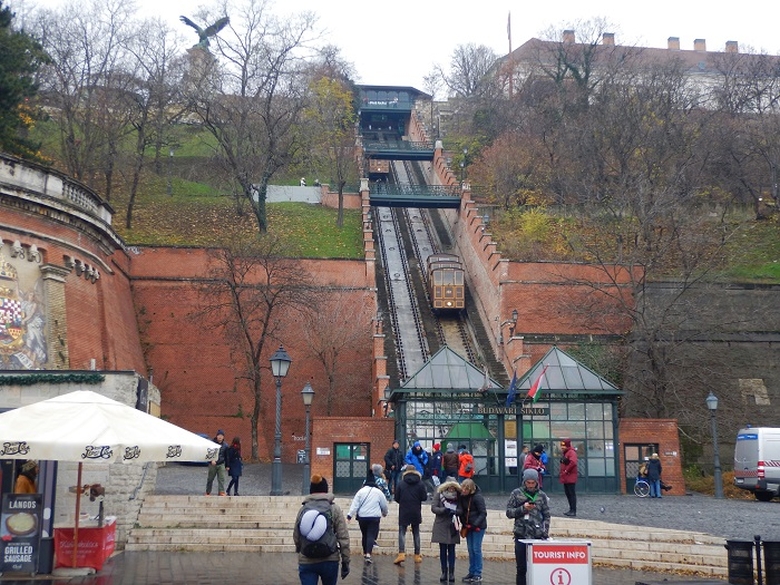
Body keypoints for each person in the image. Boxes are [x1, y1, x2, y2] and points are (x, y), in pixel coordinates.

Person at [293, 474, 350, 585]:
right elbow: (343, 537)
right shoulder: (334, 509)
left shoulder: (303, 509)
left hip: (307, 559)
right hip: (330, 559)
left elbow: (296, 534)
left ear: (311, 491)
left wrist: (301, 550)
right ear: (326, 490)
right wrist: (345, 561)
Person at [506, 469, 551, 585]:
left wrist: (545, 532)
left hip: (537, 536)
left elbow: (547, 515)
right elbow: (509, 513)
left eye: (533, 483)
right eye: (528, 483)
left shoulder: (541, 495)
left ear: (537, 482)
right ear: (524, 482)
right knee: (521, 568)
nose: (530, 485)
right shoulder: (516, 493)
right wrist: (523, 509)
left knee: (537, 567)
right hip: (521, 535)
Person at [347, 470, 389, 563]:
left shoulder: (360, 492)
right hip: (374, 517)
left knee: (364, 535)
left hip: (362, 517)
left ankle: (365, 553)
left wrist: (349, 515)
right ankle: (368, 554)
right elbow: (384, 505)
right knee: (371, 535)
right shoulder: (378, 492)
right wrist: (385, 513)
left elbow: (355, 504)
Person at [393, 465, 428, 565]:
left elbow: (396, 498)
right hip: (416, 510)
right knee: (416, 532)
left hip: (404, 510)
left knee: (402, 532)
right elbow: (424, 497)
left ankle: (401, 554)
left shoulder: (401, 483)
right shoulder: (420, 483)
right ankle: (417, 555)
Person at [431, 478, 462, 582]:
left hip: (453, 524)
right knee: (443, 549)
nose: (452, 489)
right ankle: (444, 572)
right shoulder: (439, 494)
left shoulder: (458, 496)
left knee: (452, 550)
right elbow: (434, 508)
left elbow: (461, 510)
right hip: (441, 524)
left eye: (453, 487)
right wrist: (443, 510)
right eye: (450, 487)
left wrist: (454, 511)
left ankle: (452, 573)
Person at [459, 478, 487, 583]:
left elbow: (483, 513)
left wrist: (475, 524)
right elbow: (462, 511)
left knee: (476, 549)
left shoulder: (478, 497)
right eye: (463, 489)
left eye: (466, 490)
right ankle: (471, 571)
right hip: (468, 525)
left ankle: (478, 573)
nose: (463, 491)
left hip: (477, 526)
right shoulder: (462, 497)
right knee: (471, 550)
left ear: (470, 489)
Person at [559, 439, 578, 516]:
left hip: (569, 476)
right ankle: (571, 509)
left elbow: (573, 462)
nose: (562, 447)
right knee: (568, 493)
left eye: (564, 446)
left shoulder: (571, 452)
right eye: (562, 446)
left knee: (571, 494)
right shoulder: (566, 453)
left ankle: (573, 510)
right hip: (566, 477)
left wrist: (566, 470)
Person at [206, 429, 228, 496]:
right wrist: (211, 460)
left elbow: (227, 456)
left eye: (221, 435)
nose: (220, 437)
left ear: (223, 437)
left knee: (221, 479)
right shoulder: (211, 443)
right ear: (217, 436)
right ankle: (208, 492)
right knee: (210, 478)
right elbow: (208, 453)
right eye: (219, 435)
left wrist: (227, 465)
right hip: (213, 464)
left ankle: (221, 491)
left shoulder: (225, 445)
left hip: (221, 463)